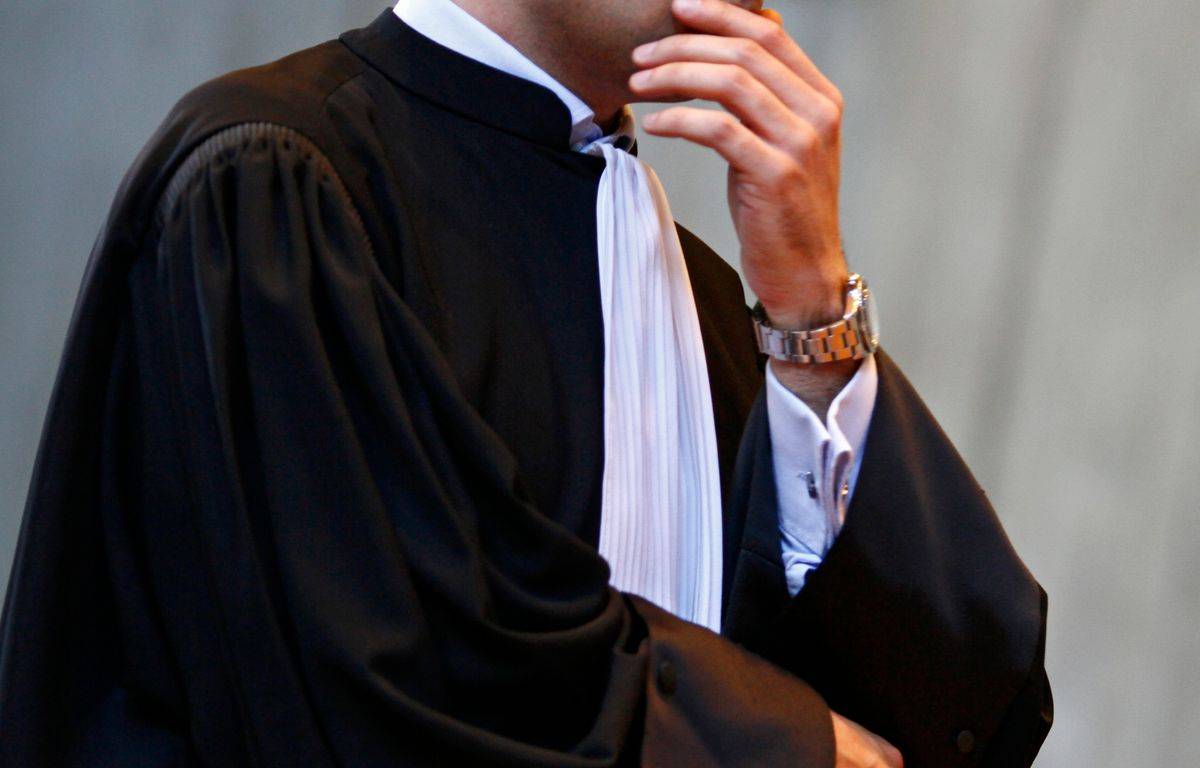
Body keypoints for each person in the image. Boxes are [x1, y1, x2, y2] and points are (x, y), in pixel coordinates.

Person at [0, 0, 1052, 765]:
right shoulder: (277, 184)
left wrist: (814, 316)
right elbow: (385, 686)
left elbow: (952, 710)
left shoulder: (705, 293)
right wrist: (783, 747)